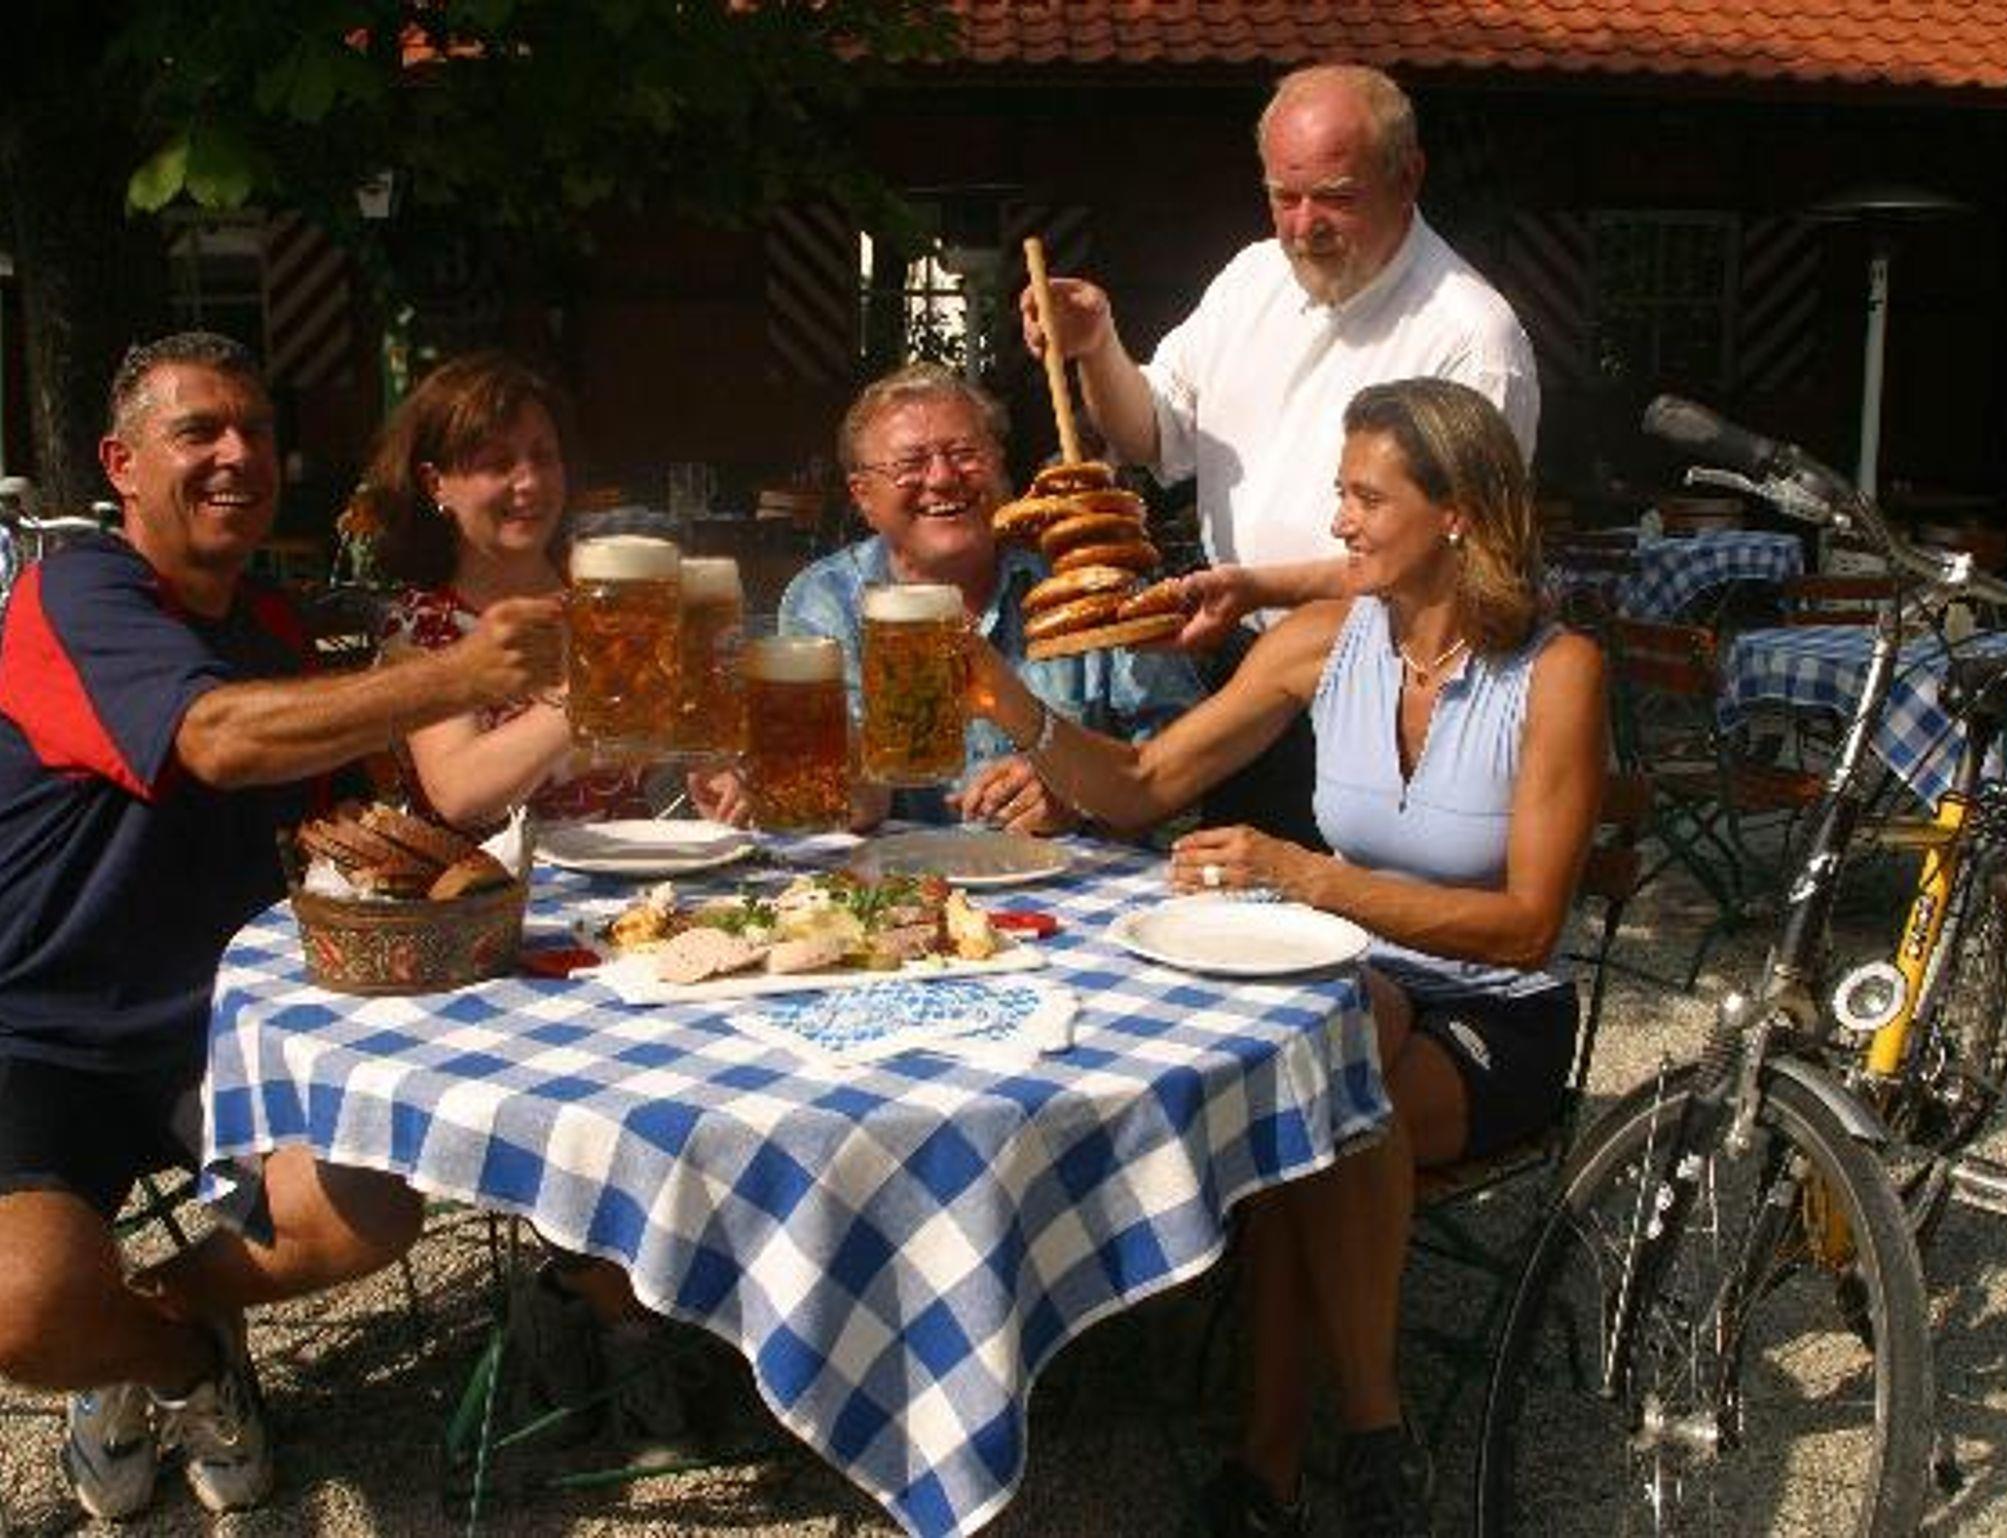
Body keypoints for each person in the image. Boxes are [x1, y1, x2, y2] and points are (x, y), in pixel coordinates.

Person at [958, 379, 1605, 1537]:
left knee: (1316, 1116)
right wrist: (1007, 700)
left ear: (1457, 512)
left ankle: (1282, 1457)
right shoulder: (1320, 641)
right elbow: (1141, 783)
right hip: (1357, 991)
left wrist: (1309, 877)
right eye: (1337, 493)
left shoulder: (1555, 672)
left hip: (1496, 1009)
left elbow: (1524, 926)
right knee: (1322, 1087)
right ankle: (1368, 1443)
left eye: (1365, 497)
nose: (1338, 521)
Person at [0, 332, 566, 1520]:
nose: (236, 454)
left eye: (255, 430)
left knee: (372, 1209)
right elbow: (213, 739)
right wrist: (456, 677)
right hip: (38, 1025)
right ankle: (175, 1362)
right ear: (121, 463)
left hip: (228, 1021)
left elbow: (343, 824)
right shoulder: (76, 592)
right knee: (24, 1302)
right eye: (197, 431)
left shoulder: (275, 623)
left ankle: (161, 1316)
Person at [1022, 62, 1538, 848]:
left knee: (1348, 904)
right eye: (1283, 196)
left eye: (1334, 197)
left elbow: (1455, 559)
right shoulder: (1253, 277)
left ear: (1408, 178)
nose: (1303, 225)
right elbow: (1153, 434)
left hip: (1392, 683)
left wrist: (1259, 584)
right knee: (1238, 898)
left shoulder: (1472, 337)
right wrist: (1097, 348)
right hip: (1250, 666)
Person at [779, 361, 1203, 833]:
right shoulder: (827, 599)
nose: (943, 478)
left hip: (1072, 871)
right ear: (863, 497)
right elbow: (849, 795)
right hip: (903, 874)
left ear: (999, 465)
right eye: (910, 465)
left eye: (965, 453)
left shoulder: (1089, 580)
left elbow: (1185, 765)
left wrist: (1081, 784)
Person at [364, 351, 742, 830]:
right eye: (498, 463)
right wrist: (594, 686)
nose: (530, 482)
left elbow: (663, 746)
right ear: (436, 483)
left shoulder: (615, 600)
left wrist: (712, 774)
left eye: (544, 457)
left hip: (634, 872)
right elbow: (459, 793)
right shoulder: (421, 626)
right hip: (495, 878)